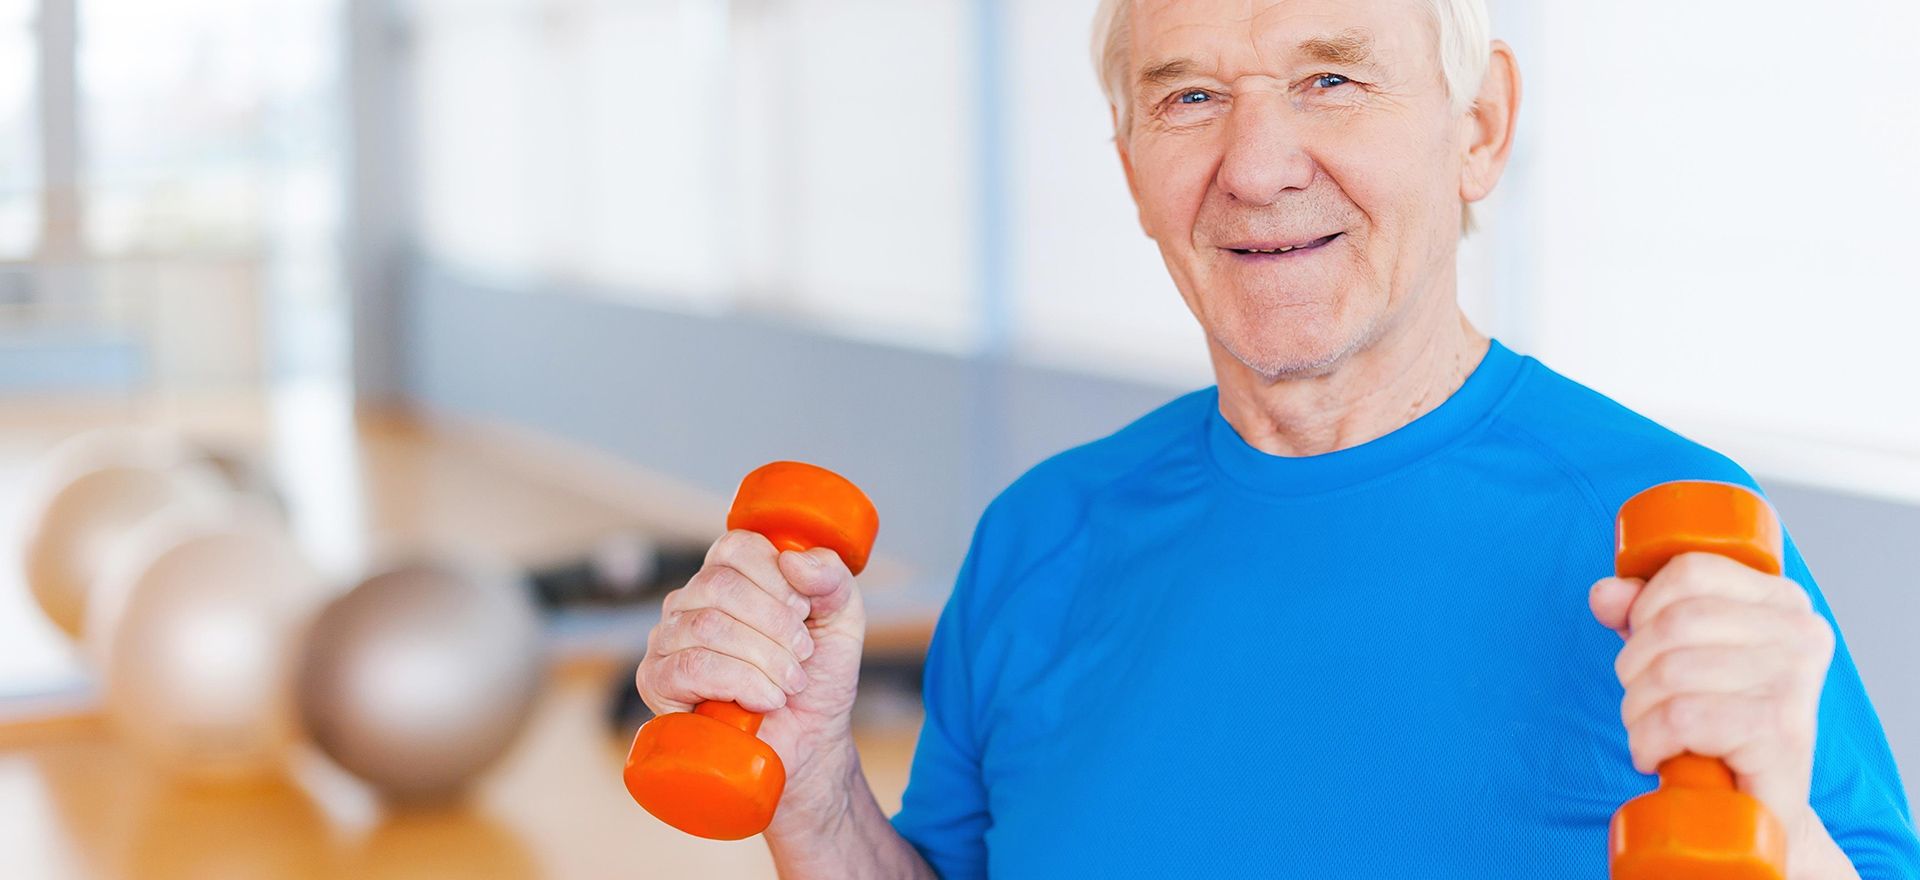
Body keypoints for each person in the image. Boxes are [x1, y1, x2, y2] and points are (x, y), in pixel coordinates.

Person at [634, 0, 1920, 875]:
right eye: (1188, 94)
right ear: (1131, 160)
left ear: (1477, 127)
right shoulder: (1041, 536)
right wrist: (813, 790)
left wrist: (1790, 842)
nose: (1257, 165)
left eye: (1330, 77)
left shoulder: (1680, 543)